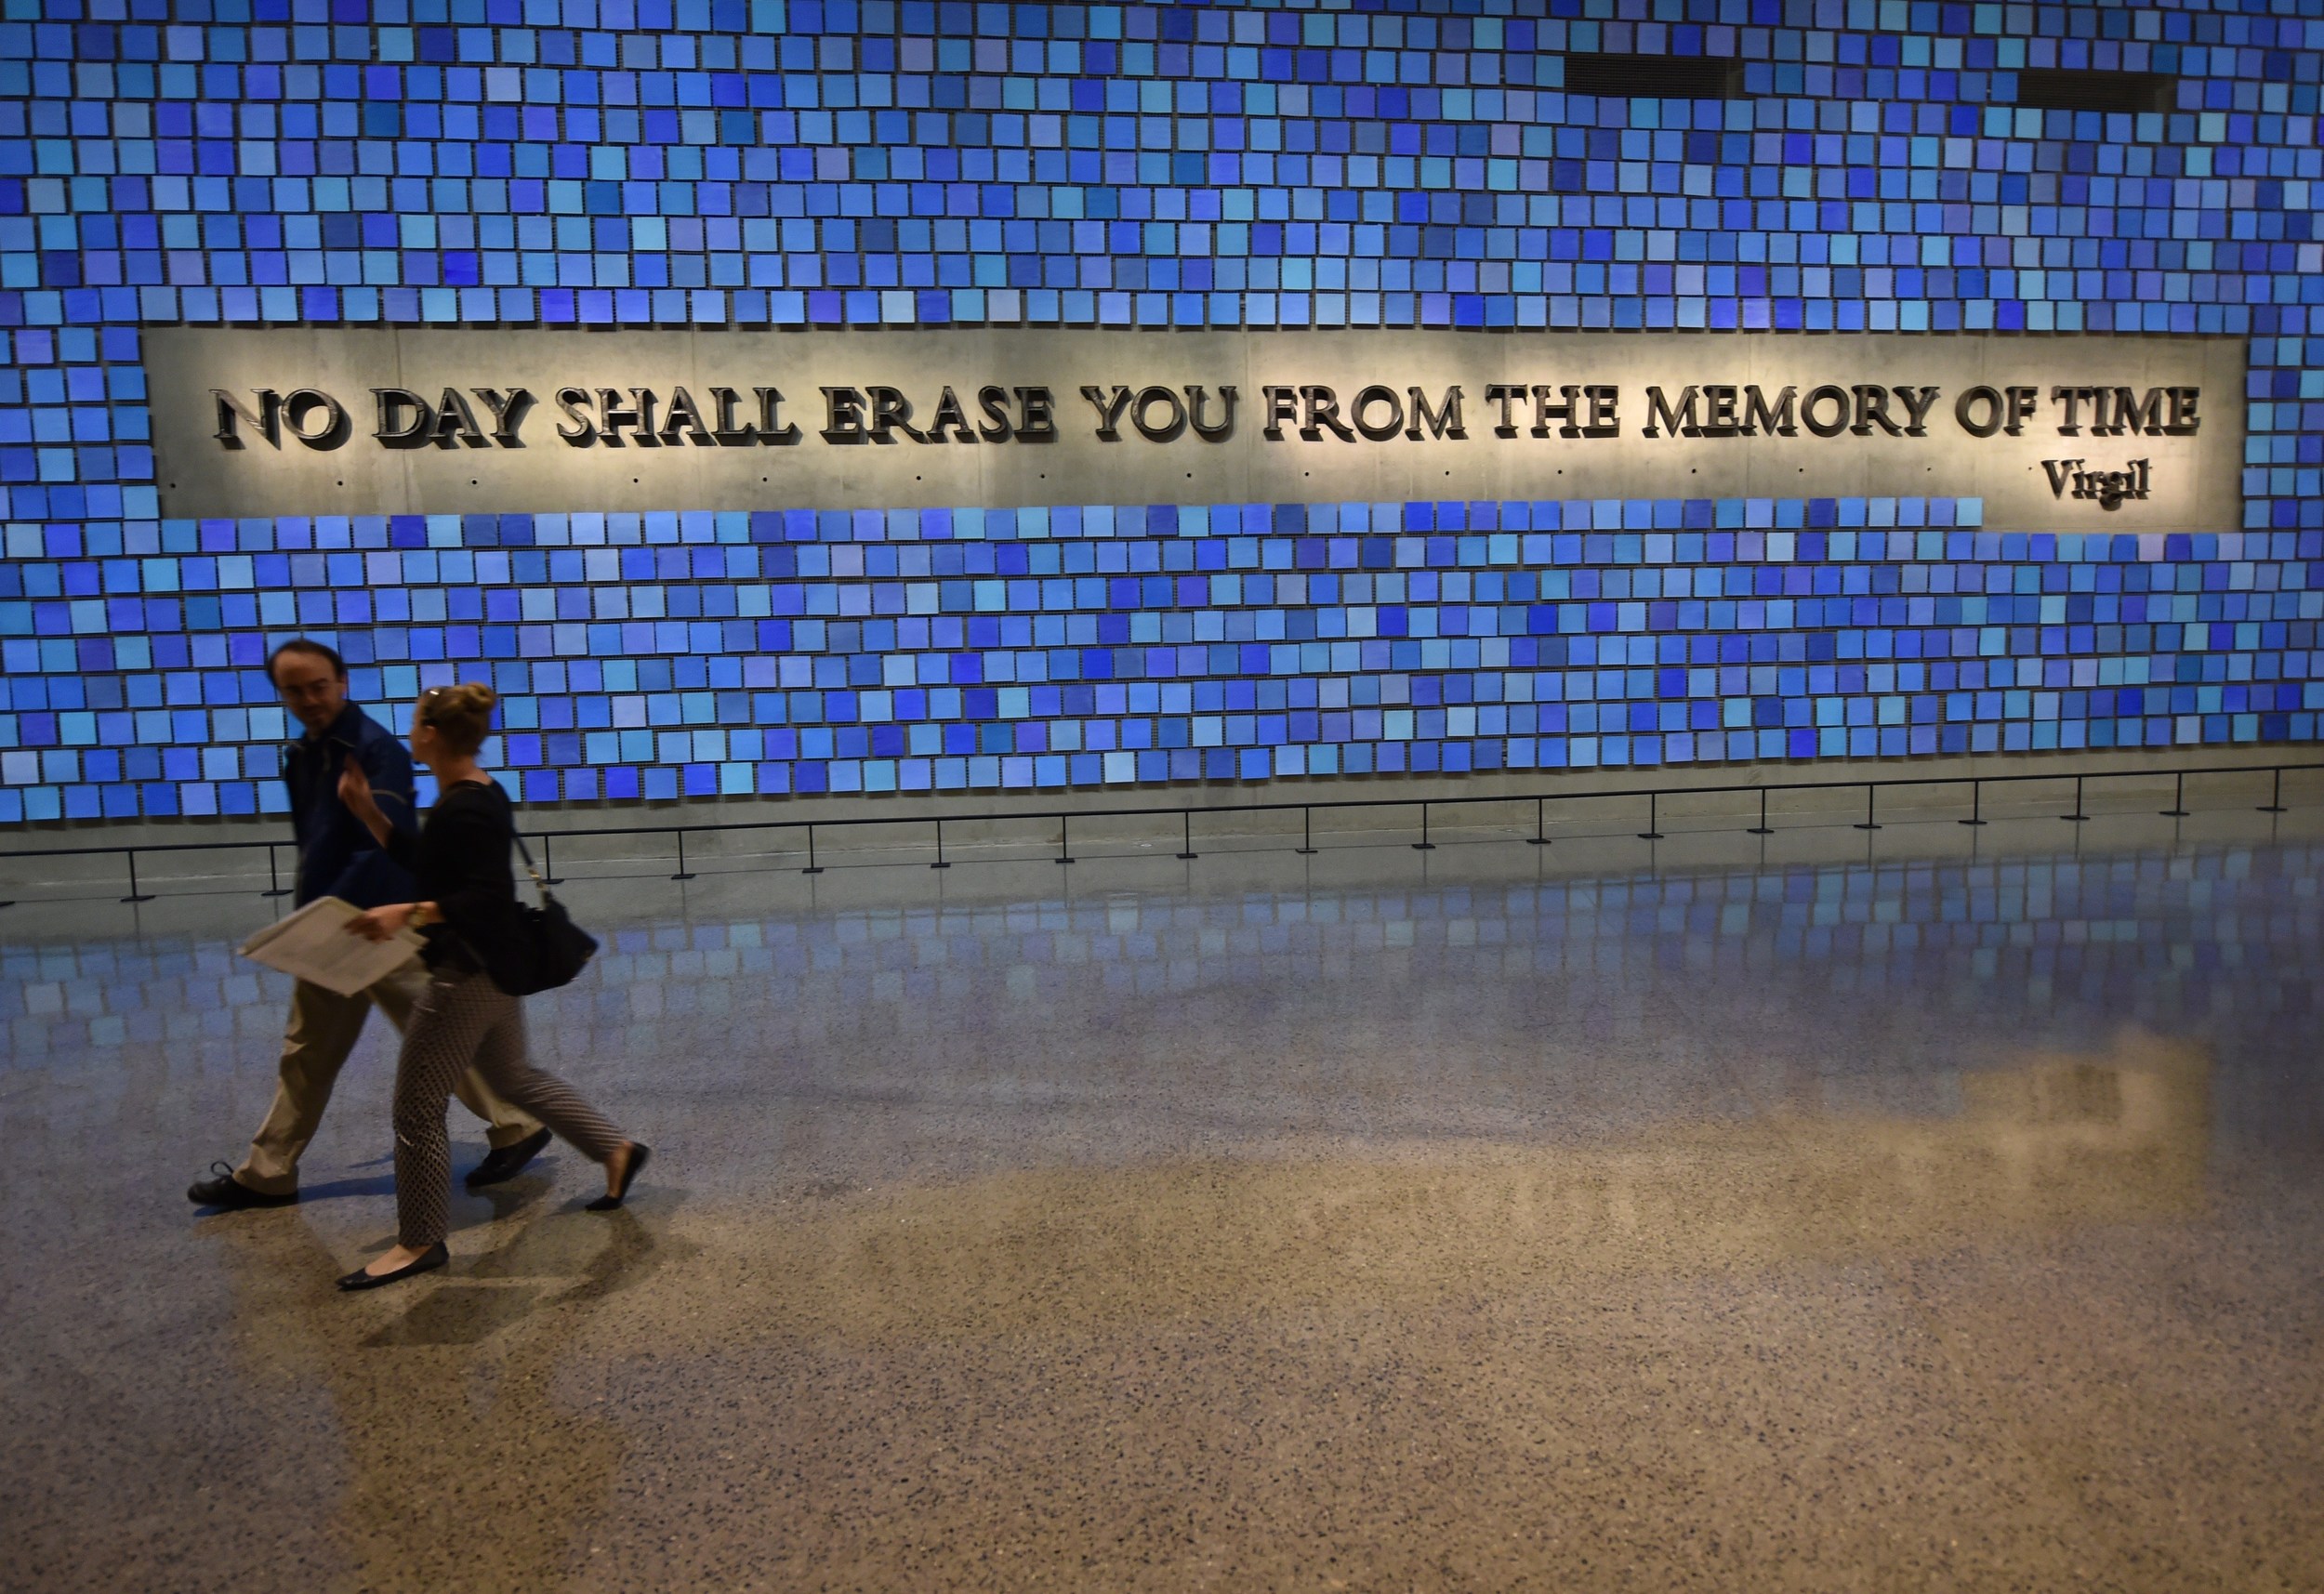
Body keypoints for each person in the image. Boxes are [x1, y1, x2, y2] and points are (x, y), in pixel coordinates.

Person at [188, 641, 549, 1212]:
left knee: (429, 1042)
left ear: (342, 682)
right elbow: (321, 844)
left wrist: (337, 919)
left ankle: (518, 1124)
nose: (309, 699)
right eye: (294, 690)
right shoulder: (304, 754)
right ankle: (268, 1172)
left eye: (318, 686)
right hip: (343, 924)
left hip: (376, 926)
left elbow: (389, 850)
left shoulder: (374, 750)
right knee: (310, 1050)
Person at [334, 682, 648, 1290]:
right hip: (494, 967)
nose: (410, 733)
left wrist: (406, 914)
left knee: (416, 1108)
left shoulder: (466, 807)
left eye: (415, 723)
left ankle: (419, 1240)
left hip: (466, 972)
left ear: (431, 734)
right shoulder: (474, 792)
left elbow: (483, 899)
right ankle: (615, 1149)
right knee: (513, 1077)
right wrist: (370, 814)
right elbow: (435, 867)